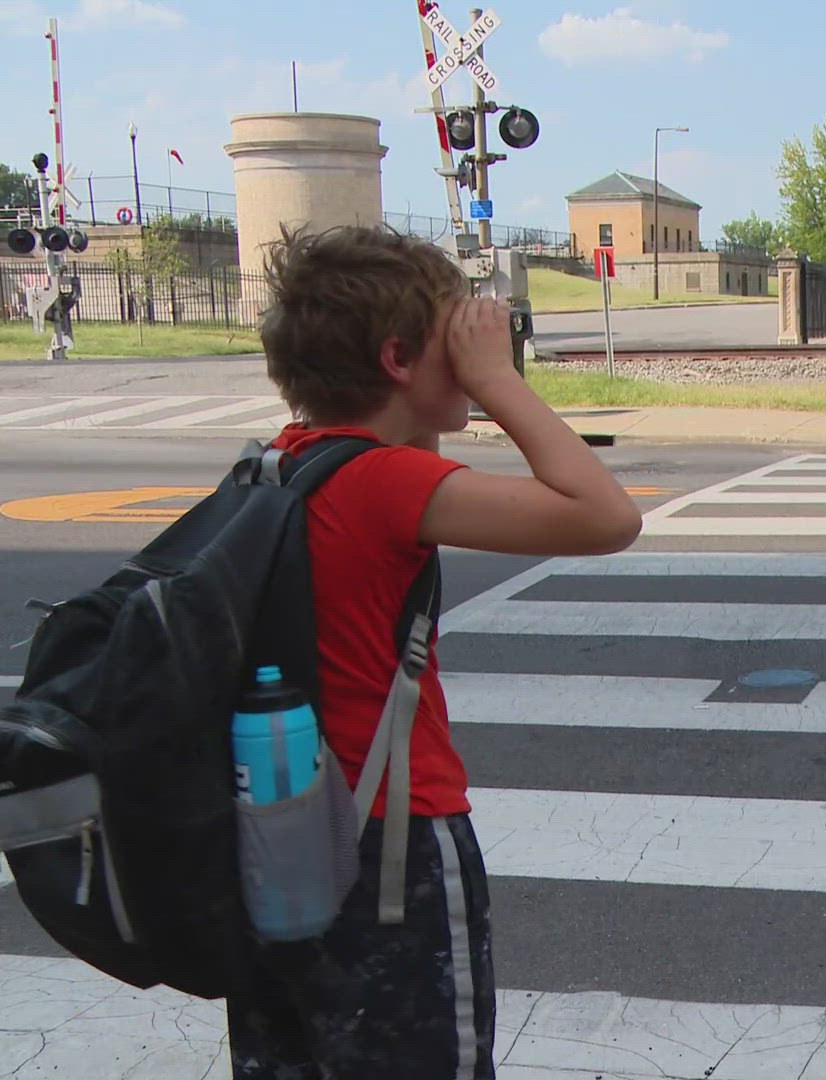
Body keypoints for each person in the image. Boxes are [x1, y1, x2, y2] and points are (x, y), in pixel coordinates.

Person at [226, 224, 644, 1079]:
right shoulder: (385, 486)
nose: (474, 350)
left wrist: (434, 383)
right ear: (396, 359)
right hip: (392, 849)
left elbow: (398, 446)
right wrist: (496, 381)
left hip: (281, 844)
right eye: (453, 339)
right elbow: (608, 516)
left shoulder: (281, 464)